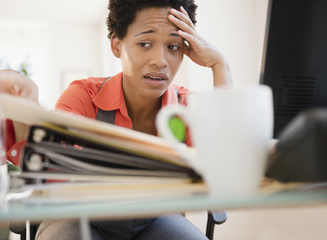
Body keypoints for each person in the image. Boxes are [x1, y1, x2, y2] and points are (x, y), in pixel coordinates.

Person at [35, 0, 232, 239]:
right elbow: (48, 172)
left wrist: (220, 66)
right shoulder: (83, 97)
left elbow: (225, 168)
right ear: (117, 45)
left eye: (173, 46)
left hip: (154, 219)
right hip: (78, 216)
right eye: (144, 44)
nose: (160, 61)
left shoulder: (186, 107)